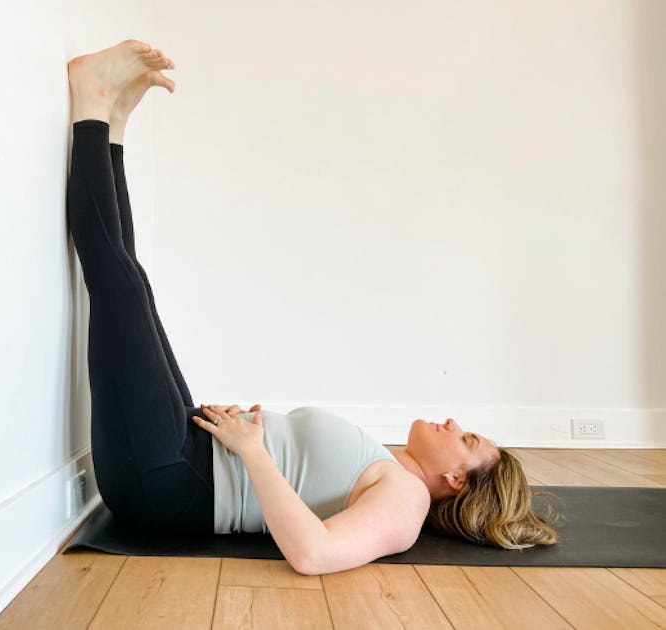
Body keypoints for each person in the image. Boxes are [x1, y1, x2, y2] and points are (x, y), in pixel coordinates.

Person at [65, 40, 559, 576]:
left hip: (167, 483)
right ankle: (110, 125)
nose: (451, 422)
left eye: (464, 438)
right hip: (185, 454)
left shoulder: (408, 504)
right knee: (132, 280)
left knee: (121, 286)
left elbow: (314, 554)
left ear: (457, 480)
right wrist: (245, 435)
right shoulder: (389, 467)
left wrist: (252, 451)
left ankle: (92, 101)